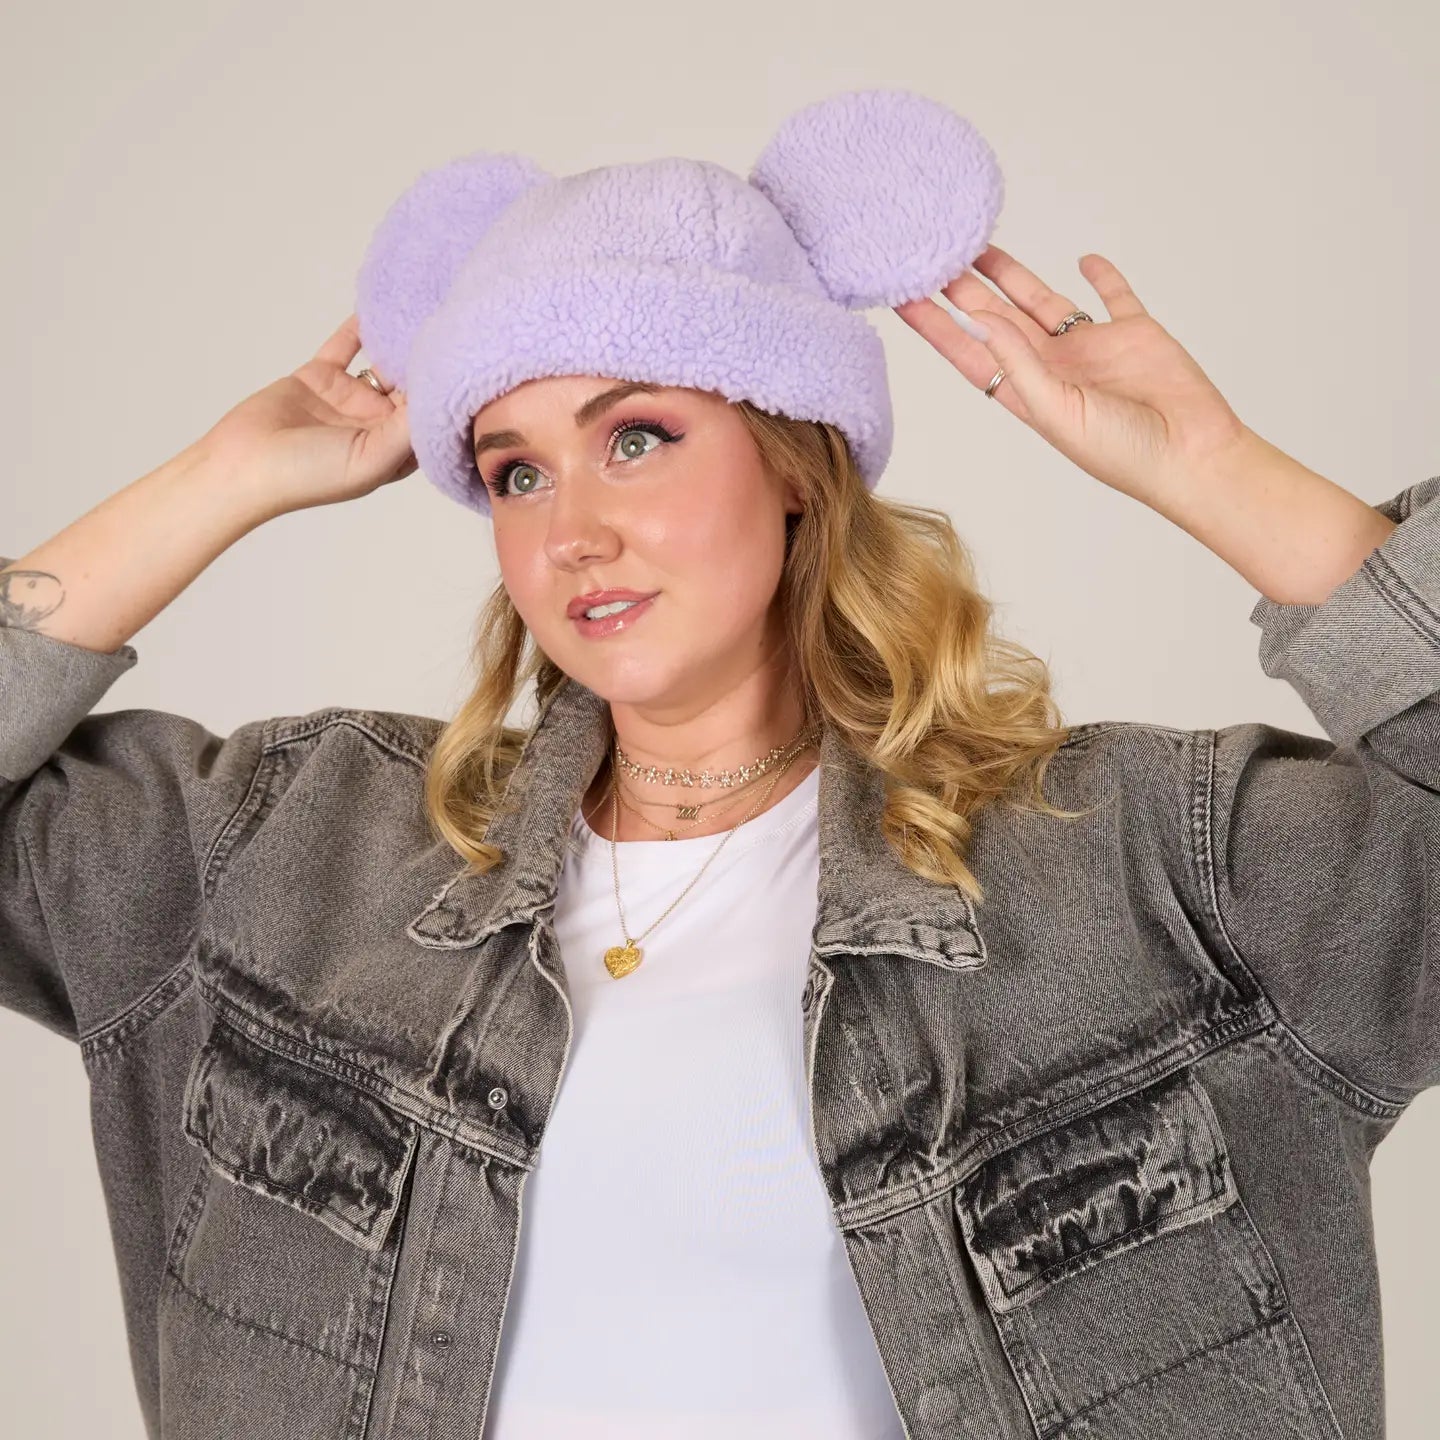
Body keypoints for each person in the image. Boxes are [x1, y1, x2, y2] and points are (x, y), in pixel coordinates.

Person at [0, 86, 1433, 1440]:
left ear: (793, 461)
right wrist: (221, 479)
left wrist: (1214, 468)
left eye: (637, 437)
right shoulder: (289, 852)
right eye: (516, 469)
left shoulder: (1142, 866)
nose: (571, 532)